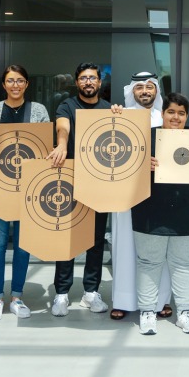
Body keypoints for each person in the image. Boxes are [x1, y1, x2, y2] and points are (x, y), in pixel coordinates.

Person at [134, 93, 189, 335]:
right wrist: (141, 165)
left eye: (181, 113)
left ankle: (185, 312)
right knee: (149, 263)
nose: (176, 117)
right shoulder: (147, 137)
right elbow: (126, 167)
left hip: (186, 211)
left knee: (183, 264)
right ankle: (147, 312)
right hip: (149, 210)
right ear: (162, 113)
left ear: (186, 116)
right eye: (171, 112)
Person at [0, 64, 50, 321]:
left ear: (27, 84)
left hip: (28, 186)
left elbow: (44, 145)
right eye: (10, 81)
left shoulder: (39, 110)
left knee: (23, 245)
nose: (15, 85)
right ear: (4, 84)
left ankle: (17, 296)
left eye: (20, 80)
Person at [47, 63, 114, 316]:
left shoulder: (109, 108)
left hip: (99, 181)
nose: (88, 82)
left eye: (93, 78)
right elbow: (62, 127)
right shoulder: (67, 105)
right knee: (68, 238)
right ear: (77, 82)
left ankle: (90, 292)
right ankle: (62, 294)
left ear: (99, 82)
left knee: (95, 240)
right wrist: (62, 144)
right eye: (84, 78)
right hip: (70, 180)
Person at [111, 71, 171, 321]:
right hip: (125, 189)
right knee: (124, 244)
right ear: (131, 91)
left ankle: (161, 300)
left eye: (150, 87)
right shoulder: (120, 117)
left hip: (159, 190)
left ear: (156, 91)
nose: (145, 91)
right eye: (139, 88)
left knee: (159, 245)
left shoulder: (166, 119)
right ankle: (123, 300)